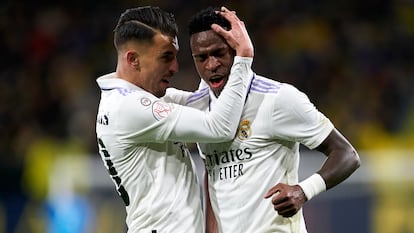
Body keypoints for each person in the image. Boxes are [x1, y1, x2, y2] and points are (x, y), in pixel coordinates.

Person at [163, 7, 361, 233]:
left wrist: (303, 190)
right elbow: (212, 171)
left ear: (237, 50)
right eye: (202, 58)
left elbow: (347, 154)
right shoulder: (198, 107)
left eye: (219, 53)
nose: (211, 65)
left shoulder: (278, 99)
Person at [95, 6, 254, 233]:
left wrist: (211, 61)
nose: (175, 68)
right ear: (133, 59)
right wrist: (243, 58)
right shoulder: (129, 108)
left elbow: (206, 105)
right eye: (165, 58)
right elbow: (219, 127)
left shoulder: (136, 99)